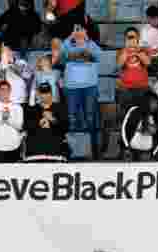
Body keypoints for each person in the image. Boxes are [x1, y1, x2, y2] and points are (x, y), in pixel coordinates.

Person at [61, 24, 102, 159]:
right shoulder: (68, 45)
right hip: (71, 87)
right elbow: (61, 54)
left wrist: (87, 40)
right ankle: (74, 152)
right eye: (76, 29)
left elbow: (99, 56)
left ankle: (92, 152)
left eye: (81, 29)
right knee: (72, 118)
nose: (79, 32)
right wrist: (71, 37)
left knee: (90, 118)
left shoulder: (91, 45)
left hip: (90, 86)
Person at [24, 82, 69, 161]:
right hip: (35, 154)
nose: (45, 96)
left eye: (47, 93)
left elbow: (65, 128)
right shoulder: (32, 109)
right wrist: (38, 122)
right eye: (42, 93)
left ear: (51, 94)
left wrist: (53, 119)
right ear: (38, 94)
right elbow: (26, 127)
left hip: (56, 154)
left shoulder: (60, 108)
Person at [116, 27, 150, 118]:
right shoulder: (121, 51)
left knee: (143, 115)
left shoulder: (143, 50)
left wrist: (137, 49)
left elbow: (147, 62)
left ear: (137, 38)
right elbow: (119, 64)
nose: (131, 40)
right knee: (126, 116)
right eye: (129, 37)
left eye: (133, 37)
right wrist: (127, 49)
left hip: (142, 88)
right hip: (126, 89)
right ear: (125, 39)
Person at [120, 91, 158, 161]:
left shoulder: (156, 117)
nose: (155, 105)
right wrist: (126, 147)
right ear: (146, 102)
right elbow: (124, 129)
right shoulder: (134, 111)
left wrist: (153, 153)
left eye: (156, 103)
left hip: (147, 153)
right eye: (153, 102)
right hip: (131, 151)